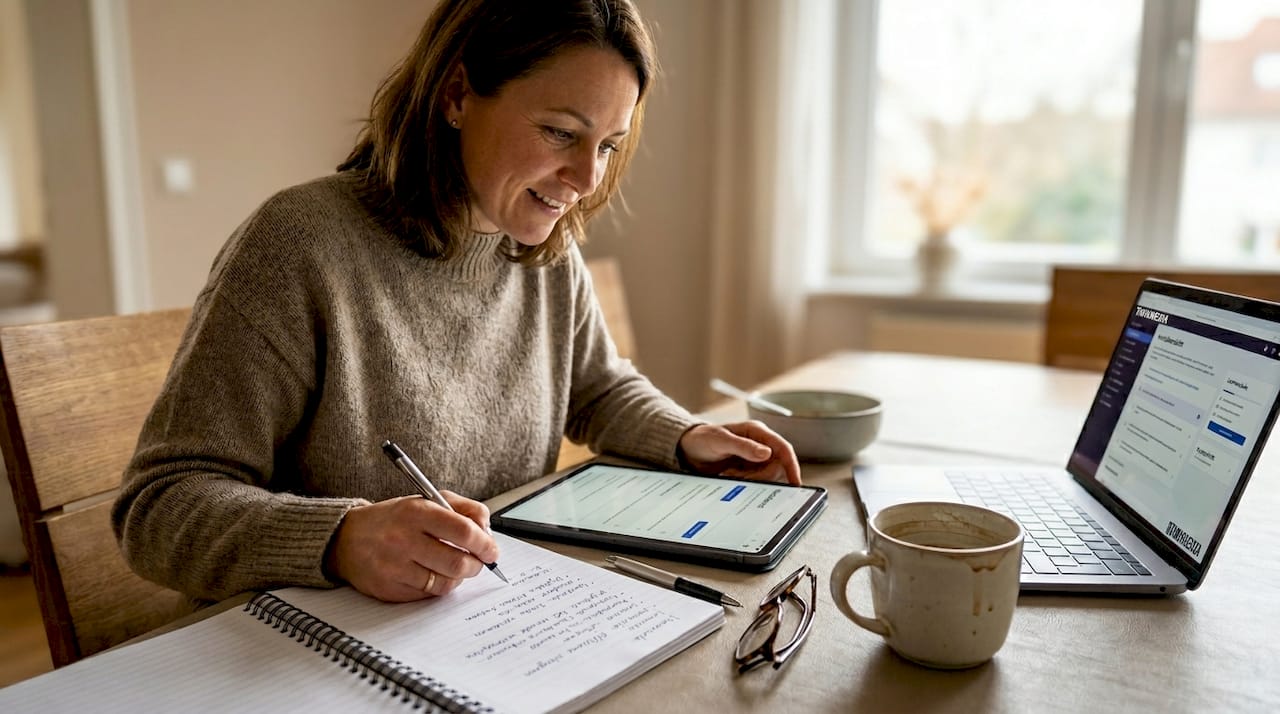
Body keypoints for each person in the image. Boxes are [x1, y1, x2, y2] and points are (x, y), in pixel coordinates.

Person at [112, 0, 801, 607]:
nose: (588, 179)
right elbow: (160, 506)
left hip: (486, 622)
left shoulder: (546, 252)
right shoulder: (301, 245)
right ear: (455, 94)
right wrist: (339, 538)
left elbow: (596, 386)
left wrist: (684, 436)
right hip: (300, 649)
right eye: (561, 132)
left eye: (608, 145)